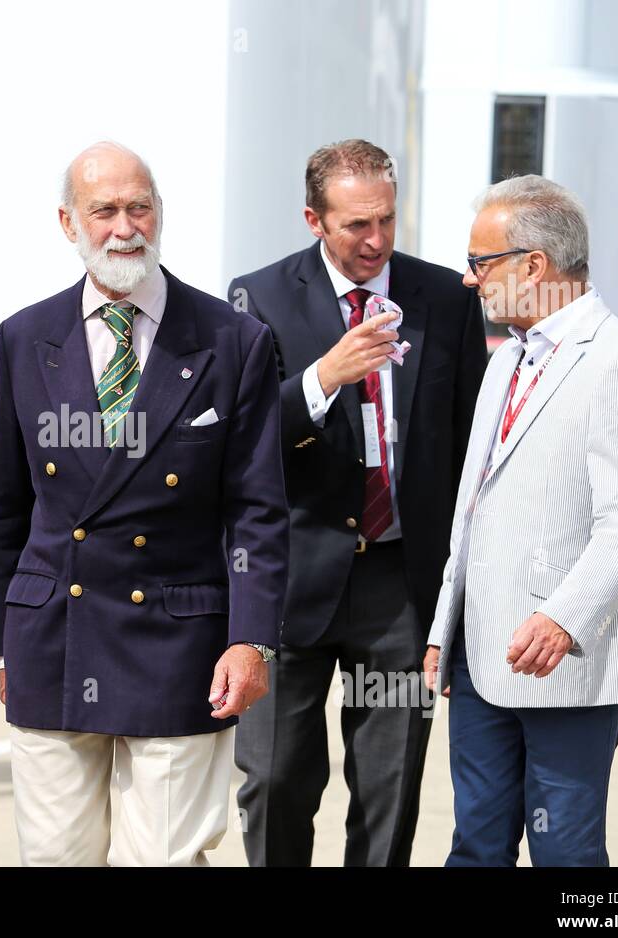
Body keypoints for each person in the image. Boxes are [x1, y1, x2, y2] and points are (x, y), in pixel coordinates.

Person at [0, 142, 288, 866]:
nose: (126, 227)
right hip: (54, 631)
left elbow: (258, 510)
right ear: (69, 223)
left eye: (140, 207)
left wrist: (252, 639)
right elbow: (6, 504)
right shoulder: (24, 337)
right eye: (105, 210)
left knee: (164, 859)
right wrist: (2, 636)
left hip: (178, 640)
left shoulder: (233, 339)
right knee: (57, 856)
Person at [227, 139, 486, 866]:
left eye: (388, 221)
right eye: (355, 226)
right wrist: (324, 378)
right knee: (275, 777)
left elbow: (470, 443)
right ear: (314, 218)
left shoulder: (444, 299)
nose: (376, 241)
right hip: (291, 576)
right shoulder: (258, 297)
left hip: (400, 585)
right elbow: (241, 443)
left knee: (390, 786)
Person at [424, 175, 618, 866]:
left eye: (481, 263)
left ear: (533, 265)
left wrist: (563, 617)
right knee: (476, 844)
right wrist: (447, 623)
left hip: (565, 655)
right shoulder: (506, 360)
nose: (471, 281)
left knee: (564, 849)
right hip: (481, 653)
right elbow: (472, 508)